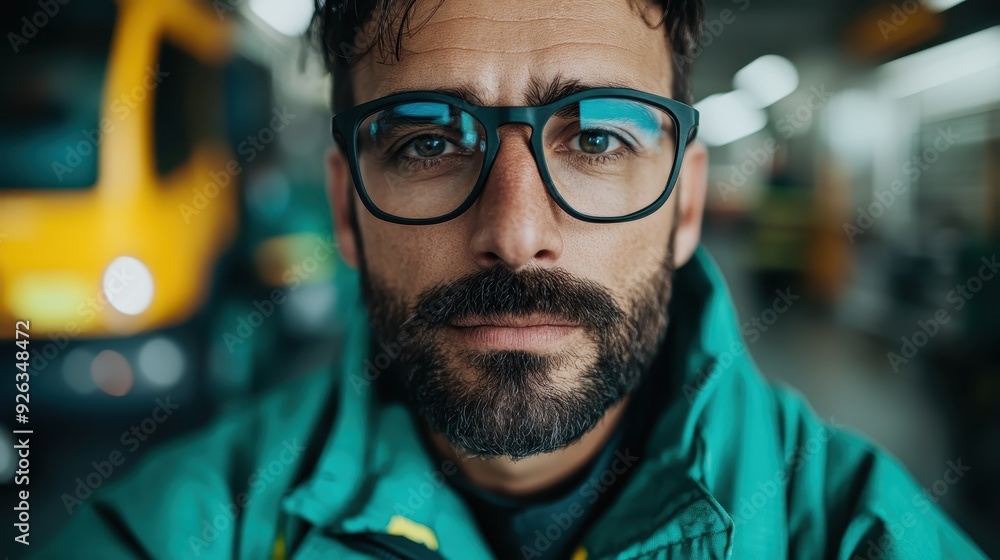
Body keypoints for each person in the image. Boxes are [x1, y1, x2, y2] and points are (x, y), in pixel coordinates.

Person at [36, 0, 987, 558]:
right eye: (428, 142)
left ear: (686, 204)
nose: (516, 231)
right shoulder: (171, 534)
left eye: (600, 138)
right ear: (345, 209)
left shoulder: (860, 535)